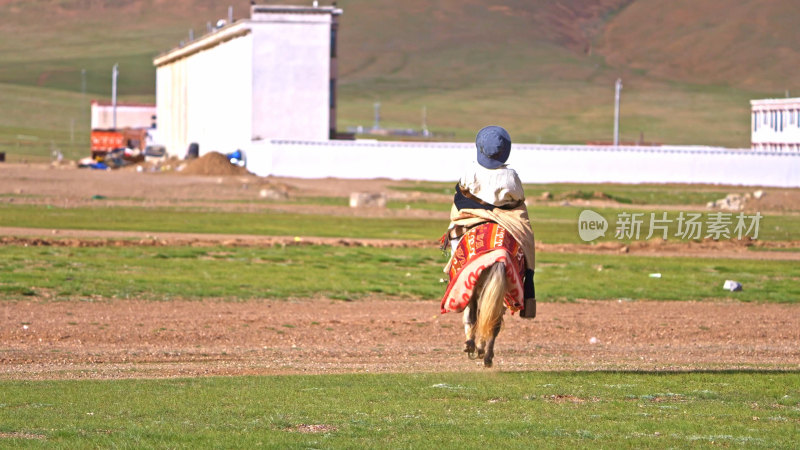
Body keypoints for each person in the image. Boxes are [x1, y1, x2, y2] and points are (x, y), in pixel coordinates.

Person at [441, 125, 536, 317]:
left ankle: (453, 267)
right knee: (527, 241)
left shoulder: (470, 171)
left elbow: (462, 191)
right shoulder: (511, 176)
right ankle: (528, 288)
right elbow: (518, 198)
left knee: (455, 231)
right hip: (506, 219)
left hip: (471, 216)